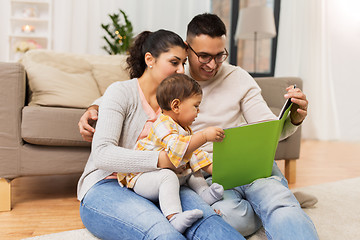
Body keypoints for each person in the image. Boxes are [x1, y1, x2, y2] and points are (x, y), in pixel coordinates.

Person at [79, 14, 319, 240]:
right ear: (187, 48)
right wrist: (94, 108)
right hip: (190, 172)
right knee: (220, 221)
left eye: (219, 55)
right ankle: (274, 203)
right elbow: (127, 96)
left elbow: (268, 128)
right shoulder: (174, 85)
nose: (212, 64)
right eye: (203, 56)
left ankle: (278, 202)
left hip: (226, 167)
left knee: (271, 205)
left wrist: (293, 119)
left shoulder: (227, 79)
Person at [77, 29, 245, 240]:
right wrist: (162, 160)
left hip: (166, 181)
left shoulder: (177, 105)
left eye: (183, 63)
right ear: (150, 59)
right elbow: (102, 154)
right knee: (164, 233)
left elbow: (188, 147)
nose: (181, 70)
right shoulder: (121, 92)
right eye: (174, 63)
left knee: (208, 222)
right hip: (108, 183)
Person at [118, 73, 225, 233]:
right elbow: (177, 149)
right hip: (142, 177)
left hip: (163, 175)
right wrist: (203, 136)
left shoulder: (184, 129)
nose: (198, 111)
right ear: (176, 106)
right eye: (196, 106)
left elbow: (197, 156)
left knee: (192, 168)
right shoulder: (162, 124)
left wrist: (223, 171)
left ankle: (204, 193)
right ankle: (174, 217)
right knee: (168, 176)